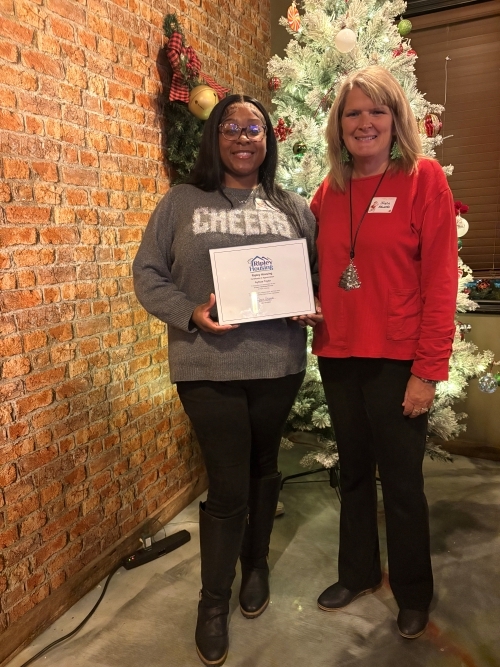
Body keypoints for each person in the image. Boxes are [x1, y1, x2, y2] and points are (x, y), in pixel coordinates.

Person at [133, 93, 320, 667]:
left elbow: (314, 273)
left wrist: (307, 304)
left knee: (266, 466)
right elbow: (147, 274)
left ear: (268, 140)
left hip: (277, 362)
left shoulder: (292, 206)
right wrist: (191, 311)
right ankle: (212, 601)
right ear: (216, 137)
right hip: (207, 364)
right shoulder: (182, 202)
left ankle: (255, 564)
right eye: (231, 127)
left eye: (254, 128)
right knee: (228, 479)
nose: (243, 137)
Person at [310, 67, 458, 639]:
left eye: (376, 112)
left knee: (400, 483)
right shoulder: (331, 190)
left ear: (396, 119)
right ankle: (359, 572)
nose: (364, 123)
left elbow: (441, 283)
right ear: (339, 125)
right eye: (353, 113)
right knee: (352, 474)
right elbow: (322, 270)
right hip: (339, 353)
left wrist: (427, 372)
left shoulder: (424, 180)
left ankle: (413, 592)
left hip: (398, 359)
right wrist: (308, 303)